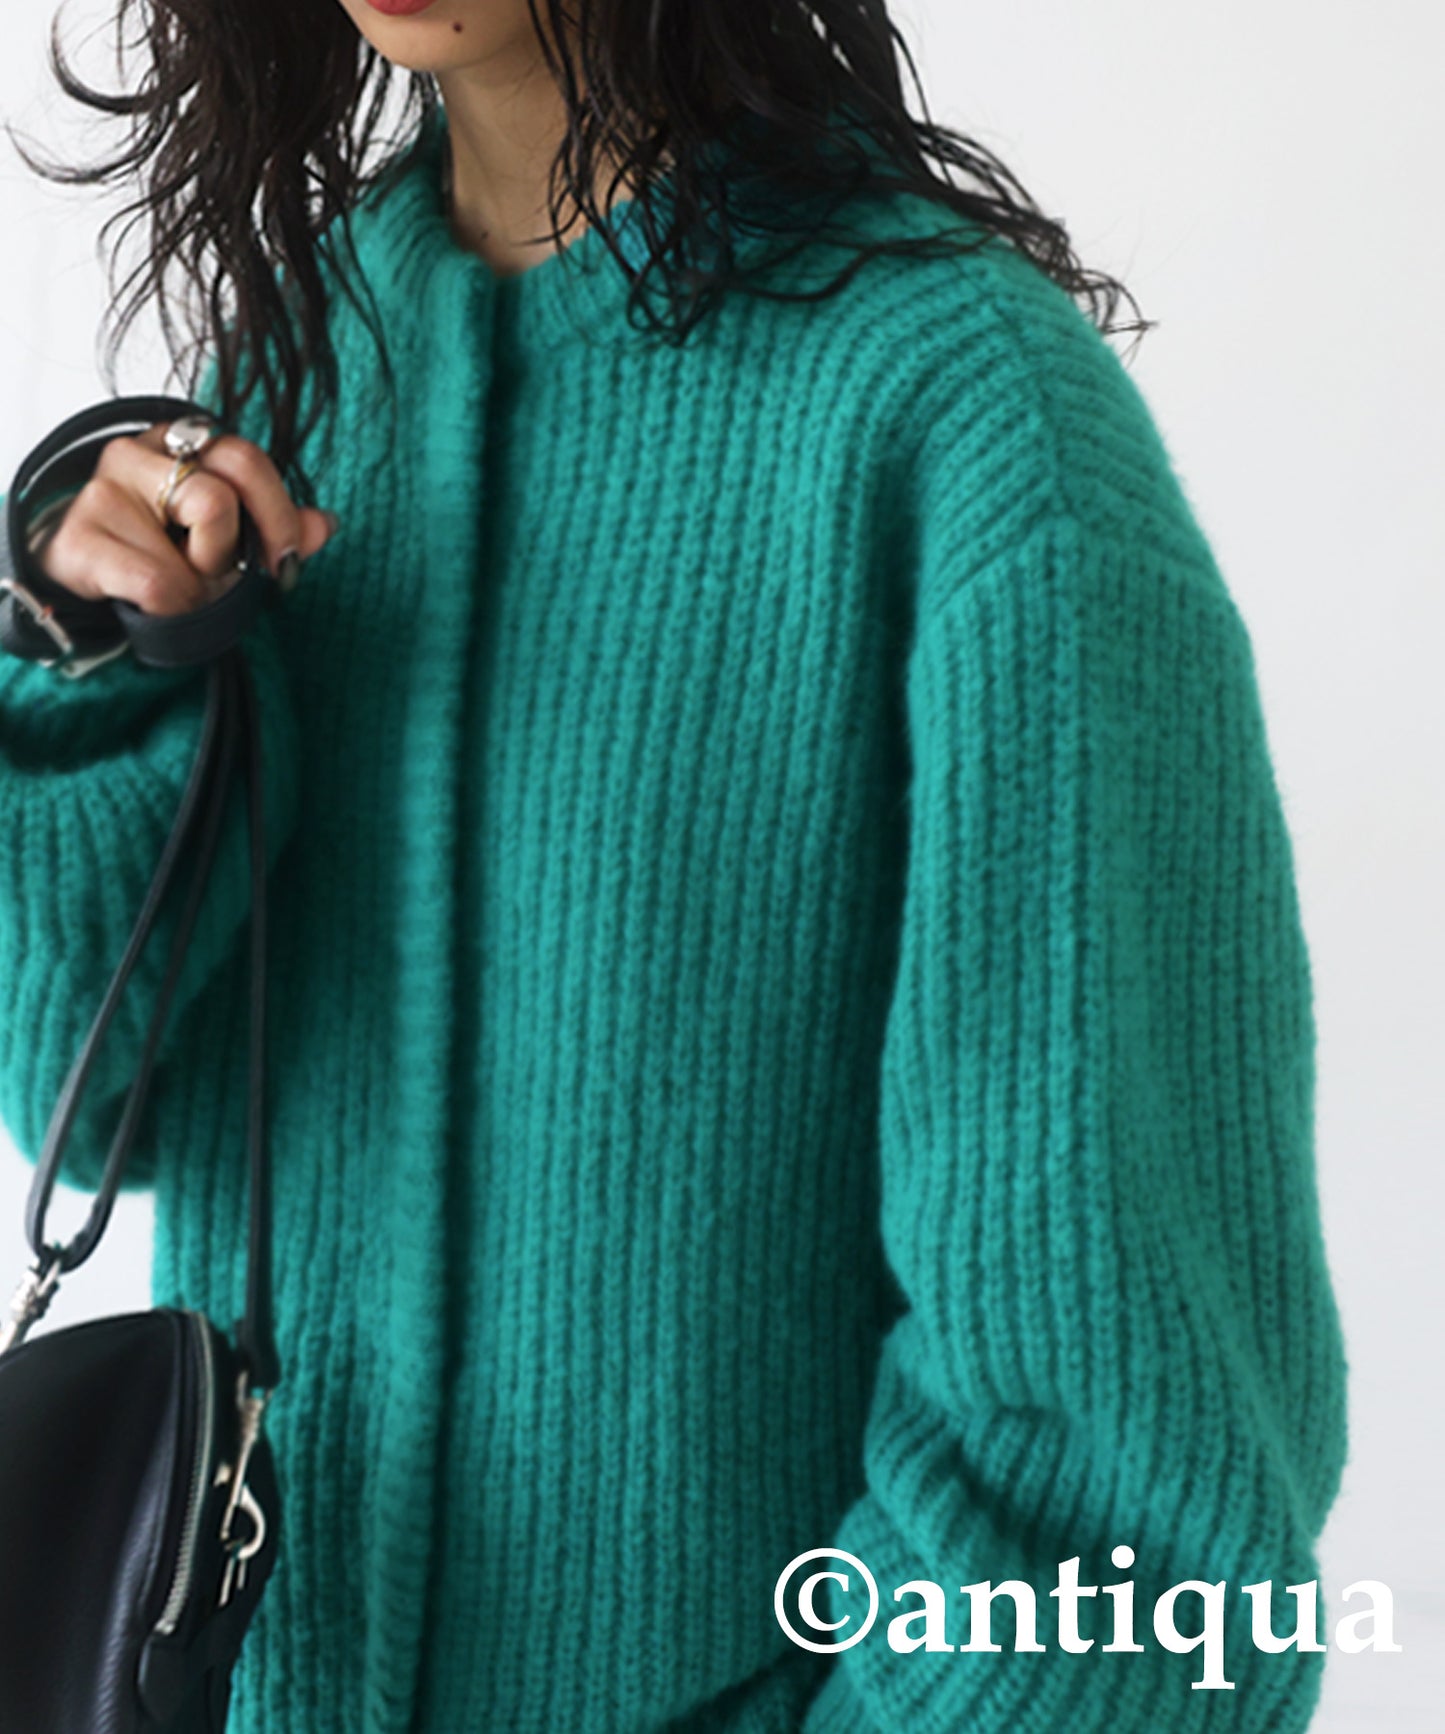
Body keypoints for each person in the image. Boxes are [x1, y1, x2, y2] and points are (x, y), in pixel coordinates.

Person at [0, 2, 1349, 1730]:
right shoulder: (302, 365)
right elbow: (84, 1096)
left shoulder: (964, 409)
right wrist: (99, 664)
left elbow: (1122, 1435)